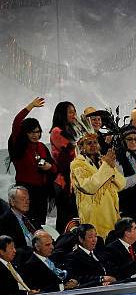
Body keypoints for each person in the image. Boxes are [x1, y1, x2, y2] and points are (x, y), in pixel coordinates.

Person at [8, 97, 57, 226]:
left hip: (42, 191)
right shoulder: (19, 145)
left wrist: (49, 167)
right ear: (25, 133)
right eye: (31, 132)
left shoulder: (41, 146)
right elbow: (17, 122)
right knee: (26, 223)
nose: (35, 135)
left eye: (38, 132)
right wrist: (30, 106)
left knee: (40, 223)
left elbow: (54, 168)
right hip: (25, 189)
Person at [50, 101, 79, 233]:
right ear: (62, 114)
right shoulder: (57, 131)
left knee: (74, 215)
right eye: (70, 112)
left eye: (75, 112)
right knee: (65, 216)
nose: (74, 115)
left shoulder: (72, 130)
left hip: (74, 178)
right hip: (64, 181)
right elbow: (69, 151)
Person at [0, 186, 41, 266]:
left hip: (43, 252)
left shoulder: (30, 217)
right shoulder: (4, 221)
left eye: (28, 199)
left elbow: (41, 232)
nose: (27, 202)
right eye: (23, 199)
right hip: (26, 259)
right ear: (12, 202)